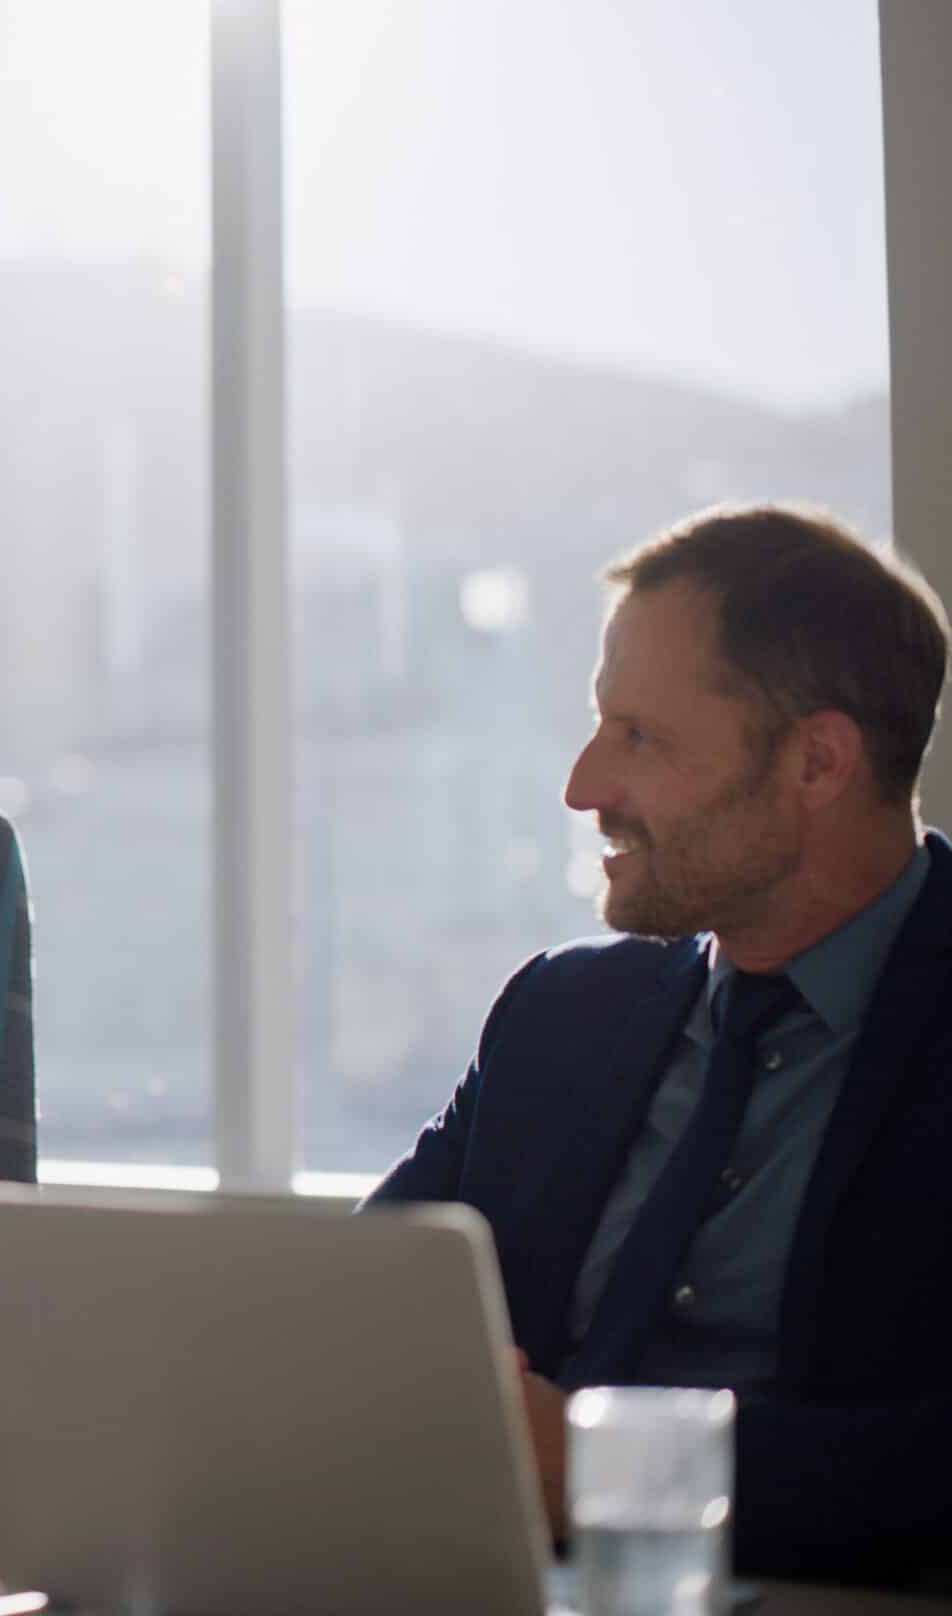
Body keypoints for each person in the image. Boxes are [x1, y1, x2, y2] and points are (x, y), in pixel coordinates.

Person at [369, 502, 952, 1587]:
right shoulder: (558, 1015)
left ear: (818, 763)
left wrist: (605, 1463)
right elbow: (361, 1308)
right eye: (599, 723)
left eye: (639, 737)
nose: (583, 786)